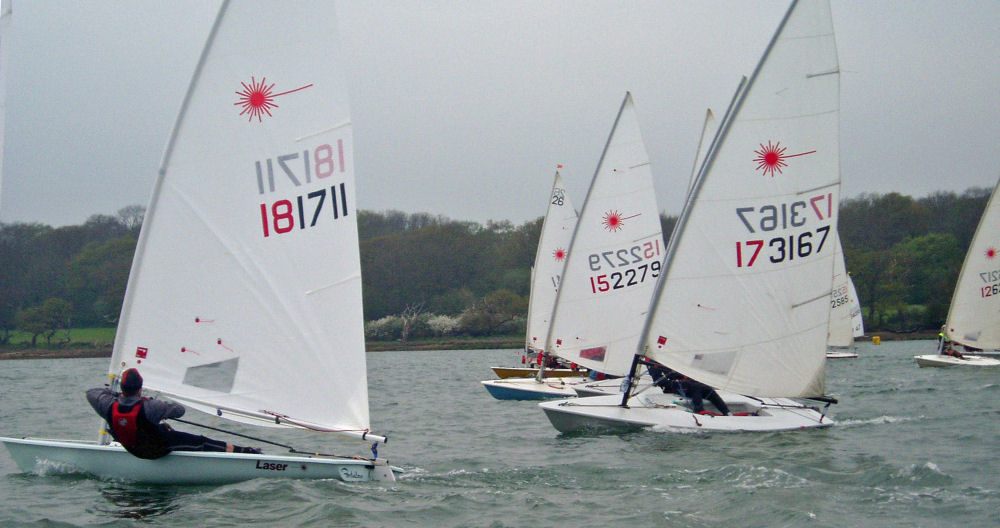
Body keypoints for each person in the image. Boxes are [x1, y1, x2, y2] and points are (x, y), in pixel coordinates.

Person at [86, 368, 260, 460]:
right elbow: (179, 410)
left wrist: (117, 395)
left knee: (160, 429)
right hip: (156, 451)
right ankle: (244, 453)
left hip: (131, 450)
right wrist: (159, 406)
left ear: (122, 388)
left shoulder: (107, 404)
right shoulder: (151, 406)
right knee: (201, 442)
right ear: (140, 388)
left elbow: (91, 392)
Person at [646, 361, 730, 416]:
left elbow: (672, 374)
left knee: (707, 389)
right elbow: (659, 381)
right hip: (671, 387)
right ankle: (699, 411)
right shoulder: (652, 362)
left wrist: (683, 376)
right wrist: (676, 382)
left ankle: (726, 412)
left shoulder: (664, 358)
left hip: (683, 385)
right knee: (695, 386)